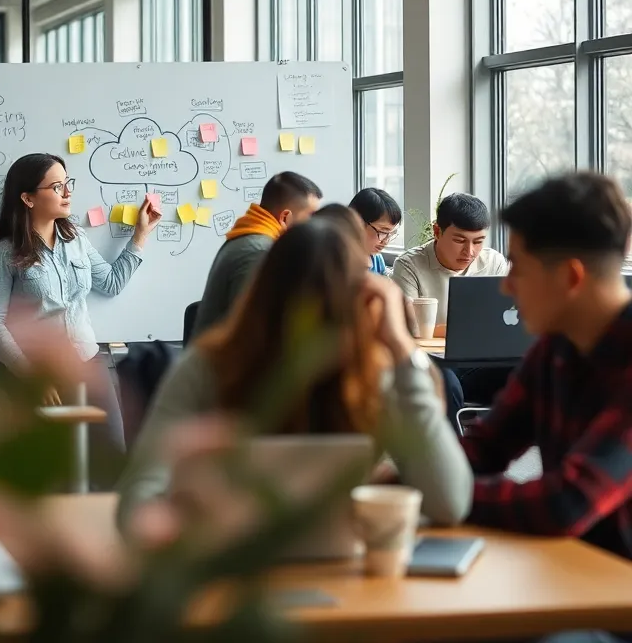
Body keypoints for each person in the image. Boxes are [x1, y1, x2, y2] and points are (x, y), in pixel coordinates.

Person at [116, 211, 472, 532]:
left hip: (349, 577)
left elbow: (450, 502)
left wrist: (401, 349)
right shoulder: (210, 366)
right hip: (230, 573)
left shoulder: (373, 371)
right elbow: (137, 506)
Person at [461, 173, 632, 562]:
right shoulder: (555, 347)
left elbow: (567, 503)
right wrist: (398, 485)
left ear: (571, 277)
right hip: (575, 574)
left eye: (517, 267)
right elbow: (485, 446)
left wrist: (435, 494)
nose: (506, 286)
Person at [0, 153, 162, 470]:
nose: (68, 192)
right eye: (57, 186)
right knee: (45, 469)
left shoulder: (76, 238)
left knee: (112, 456)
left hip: (86, 364)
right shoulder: (3, 253)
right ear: (27, 198)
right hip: (33, 374)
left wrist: (140, 236)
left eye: (68, 184)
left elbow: (110, 283)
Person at [191, 171, 322, 339]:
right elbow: (250, 333)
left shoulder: (250, 238)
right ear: (285, 217)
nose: (314, 226)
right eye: (310, 218)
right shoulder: (259, 251)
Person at [391, 192, 508, 333]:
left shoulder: (494, 263)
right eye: (459, 240)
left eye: (478, 242)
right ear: (437, 231)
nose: (469, 252)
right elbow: (409, 329)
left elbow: (504, 319)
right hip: (429, 353)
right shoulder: (409, 266)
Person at [349, 188, 401, 275]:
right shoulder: (333, 261)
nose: (386, 241)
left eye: (391, 234)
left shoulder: (376, 258)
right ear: (357, 223)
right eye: (383, 232)